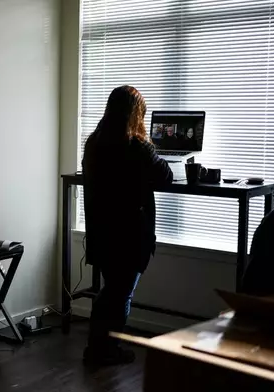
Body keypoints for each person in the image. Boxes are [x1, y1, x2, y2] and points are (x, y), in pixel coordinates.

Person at [82, 85, 173, 366]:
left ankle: (95, 347)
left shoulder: (94, 143)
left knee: (110, 289)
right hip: (130, 234)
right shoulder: (137, 147)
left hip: (102, 231)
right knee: (121, 293)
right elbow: (166, 177)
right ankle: (107, 350)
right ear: (136, 116)